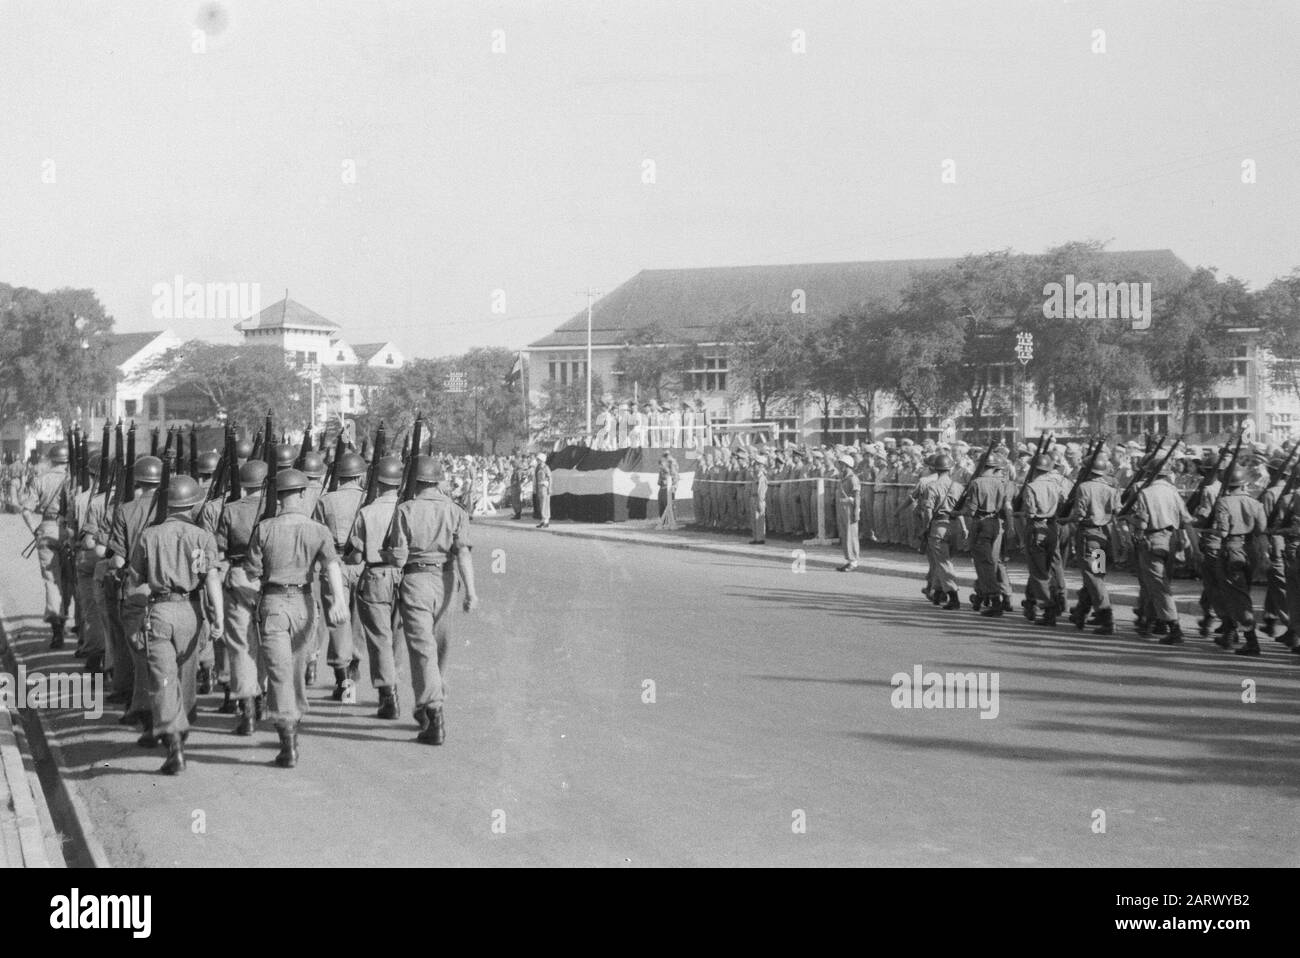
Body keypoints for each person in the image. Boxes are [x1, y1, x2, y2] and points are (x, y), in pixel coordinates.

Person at [243, 468, 350, 767]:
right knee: (296, 669)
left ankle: (287, 739)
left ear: (278, 496)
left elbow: (252, 572)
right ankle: (294, 721)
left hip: (274, 604)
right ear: (302, 494)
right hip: (304, 604)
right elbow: (331, 566)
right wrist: (339, 601)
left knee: (278, 670)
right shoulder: (318, 530)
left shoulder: (264, 529)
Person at [125, 476, 223, 774]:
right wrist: (217, 615)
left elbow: (134, 582)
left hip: (160, 611)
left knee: (163, 679)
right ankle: (182, 730)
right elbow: (212, 579)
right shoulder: (203, 537)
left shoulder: (148, 536)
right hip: (192, 613)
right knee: (187, 676)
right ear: (193, 505)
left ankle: (174, 742)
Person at [390, 457, 479, 744]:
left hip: (416, 580)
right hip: (446, 580)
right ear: (438, 481)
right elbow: (463, 553)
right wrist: (471, 591)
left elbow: (399, 556)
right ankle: (430, 702)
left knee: (422, 648)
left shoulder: (405, 509)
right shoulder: (456, 511)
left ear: (415, 482)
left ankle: (434, 712)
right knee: (439, 645)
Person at [106, 455, 165, 733]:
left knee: (139, 651)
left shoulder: (125, 510)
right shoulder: (173, 509)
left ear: (138, 480)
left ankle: (143, 706)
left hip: (136, 588)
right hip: (166, 587)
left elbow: (117, 560)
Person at [346, 456, 405, 718]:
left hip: (376, 577)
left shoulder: (367, 512)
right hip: (404, 577)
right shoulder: (407, 508)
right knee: (397, 635)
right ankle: (394, 685)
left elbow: (356, 556)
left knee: (379, 639)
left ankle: (387, 695)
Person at [216, 460, 270, 730]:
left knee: (240, 644)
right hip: (269, 580)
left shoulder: (231, 510)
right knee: (265, 641)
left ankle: (247, 708)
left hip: (239, 576)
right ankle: (262, 698)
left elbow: (221, 549)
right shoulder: (277, 509)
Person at [314, 450, 367, 703]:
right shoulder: (369, 498)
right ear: (359, 477)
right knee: (359, 620)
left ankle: (343, 682)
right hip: (362, 563)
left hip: (333, 563)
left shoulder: (326, 500)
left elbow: (317, 534)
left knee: (338, 621)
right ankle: (354, 669)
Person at [1132, 454, 1197, 645]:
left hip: (1151, 539)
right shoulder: (1172, 491)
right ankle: (1151, 619)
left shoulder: (1144, 491)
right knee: (1155, 583)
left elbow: (1142, 522)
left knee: (1157, 585)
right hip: (1171, 539)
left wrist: (1131, 520)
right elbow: (1186, 520)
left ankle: (1171, 625)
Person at [1211, 464, 1268, 655]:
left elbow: (1223, 530)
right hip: (1251, 549)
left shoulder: (1224, 502)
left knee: (1237, 597)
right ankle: (1230, 632)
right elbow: (1261, 529)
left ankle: (1251, 641)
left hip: (1231, 548)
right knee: (1242, 594)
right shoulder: (1255, 503)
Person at [20, 443, 71, 648]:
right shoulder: (73, 480)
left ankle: (57, 628)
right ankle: (68, 619)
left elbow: (26, 510)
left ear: (51, 460)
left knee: (51, 580)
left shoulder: (40, 480)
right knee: (69, 581)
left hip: (46, 528)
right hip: (68, 531)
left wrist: (35, 529)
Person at [1069, 458, 1121, 635]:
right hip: (1104, 535)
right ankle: (1081, 611)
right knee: (1095, 575)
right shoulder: (1111, 489)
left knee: (1093, 577)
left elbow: (1079, 513)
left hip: (1089, 535)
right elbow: (1118, 511)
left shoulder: (1084, 487)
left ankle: (1106, 617)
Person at [961, 454, 1013, 616]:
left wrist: (957, 512)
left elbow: (971, 510)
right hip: (996, 523)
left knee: (984, 564)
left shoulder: (976, 483)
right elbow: (1006, 505)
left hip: (981, 523)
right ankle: (989, 595)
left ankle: (994, 599)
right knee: (993, 562)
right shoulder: (1002, 483)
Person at [1020, 454, 1064, 626]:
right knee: (1049, 567)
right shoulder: (1056, 485)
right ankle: (1037, 600)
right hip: (1052, 528)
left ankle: (1048, 607)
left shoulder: (1031, 486)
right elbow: (1064, 503)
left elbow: (1030, 512)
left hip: (1037, 527)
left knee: (1038, 572)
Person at [916, 454, 963, 608]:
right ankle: (938, 592)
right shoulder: (959, 487)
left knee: (942, 562)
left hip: (939, 526)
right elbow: (960, 510)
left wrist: (926, 527)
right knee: (941, 561)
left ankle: (953, 595)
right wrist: (964, 527)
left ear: (935, 469)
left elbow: (928, 512)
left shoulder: (932, 487)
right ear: (950, 469)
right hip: (954, 525)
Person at [835, 453, 862, 571]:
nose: (840, 466)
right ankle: (848, 559)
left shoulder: (853, 478)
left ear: (847, 465)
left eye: (842, 464)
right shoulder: (842, 477)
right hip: (842, 508)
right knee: (844, 534)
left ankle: (854, 561)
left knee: (851, 535)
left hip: (850, 508)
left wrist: (856, 512)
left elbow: (857, 496)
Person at [748, 453, 767, 544]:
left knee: (759, 519)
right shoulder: (756, 477)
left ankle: (760, 538)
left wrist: (760, 502)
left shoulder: (761, 478)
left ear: (760, 466)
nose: (754, 466)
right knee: (754, 519)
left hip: (758, 499)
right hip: (753, 498)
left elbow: (761, 492)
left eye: (755, 465)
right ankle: (755, 537)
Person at [657, 451, 679, 530]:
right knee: (661, 505)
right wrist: (662, 481)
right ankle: (662, 522)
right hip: (662, 489)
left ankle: (672, 522)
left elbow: (676, 478)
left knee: (670, 506)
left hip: (669, 489)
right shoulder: (661, 470)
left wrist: (674, 486)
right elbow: (659, 482)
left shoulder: (672, 467)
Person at [534, 453, 552, 528]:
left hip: (544, 488)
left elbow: (550, 478)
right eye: (537, 459)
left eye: (538, 459)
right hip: (539, 488)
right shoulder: (538, 468)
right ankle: (543, 520)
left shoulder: (546, 468)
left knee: (545, 504)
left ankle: (546, 521)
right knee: (541, 505)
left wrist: (549, 488)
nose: (537, 461)